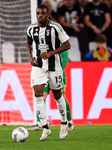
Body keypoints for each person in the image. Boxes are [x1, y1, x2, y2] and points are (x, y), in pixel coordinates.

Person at [26, 5, 71, 141]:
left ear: (48, 14)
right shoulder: (31, 28)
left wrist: (51, 52)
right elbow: (28, 43)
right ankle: (45, 128)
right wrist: (31, 58)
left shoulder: (56, 27)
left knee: (57, 95)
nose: (40, 15)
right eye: (38, 13)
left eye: (43, 13)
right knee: (37, 94)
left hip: (54, 65)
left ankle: (64, 123)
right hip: (38, 66)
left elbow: (67, 44)